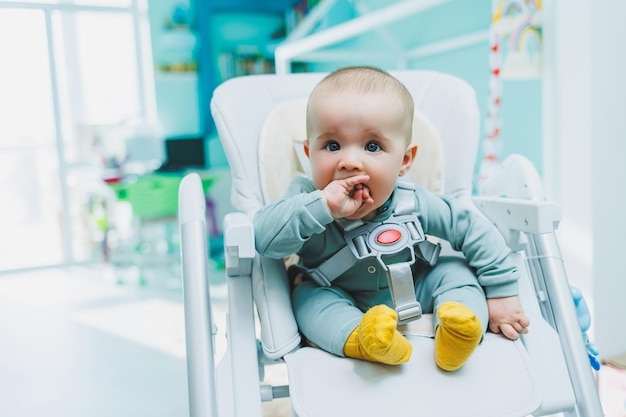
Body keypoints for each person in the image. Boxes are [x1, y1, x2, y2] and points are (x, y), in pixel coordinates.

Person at [253, 66, 529, 371]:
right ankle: (365, 339)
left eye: (373, 146)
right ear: (309, 153)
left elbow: (471, 229)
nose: (349, 161)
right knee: (307, 300)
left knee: (456, 273)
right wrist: (321, 207)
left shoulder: (414, 200)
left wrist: (502, 290)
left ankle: (458, 331)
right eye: (332, 146)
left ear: (404, 161)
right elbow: (265, 240)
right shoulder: (303, 199)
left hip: (418, 283)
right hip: (338, 292)